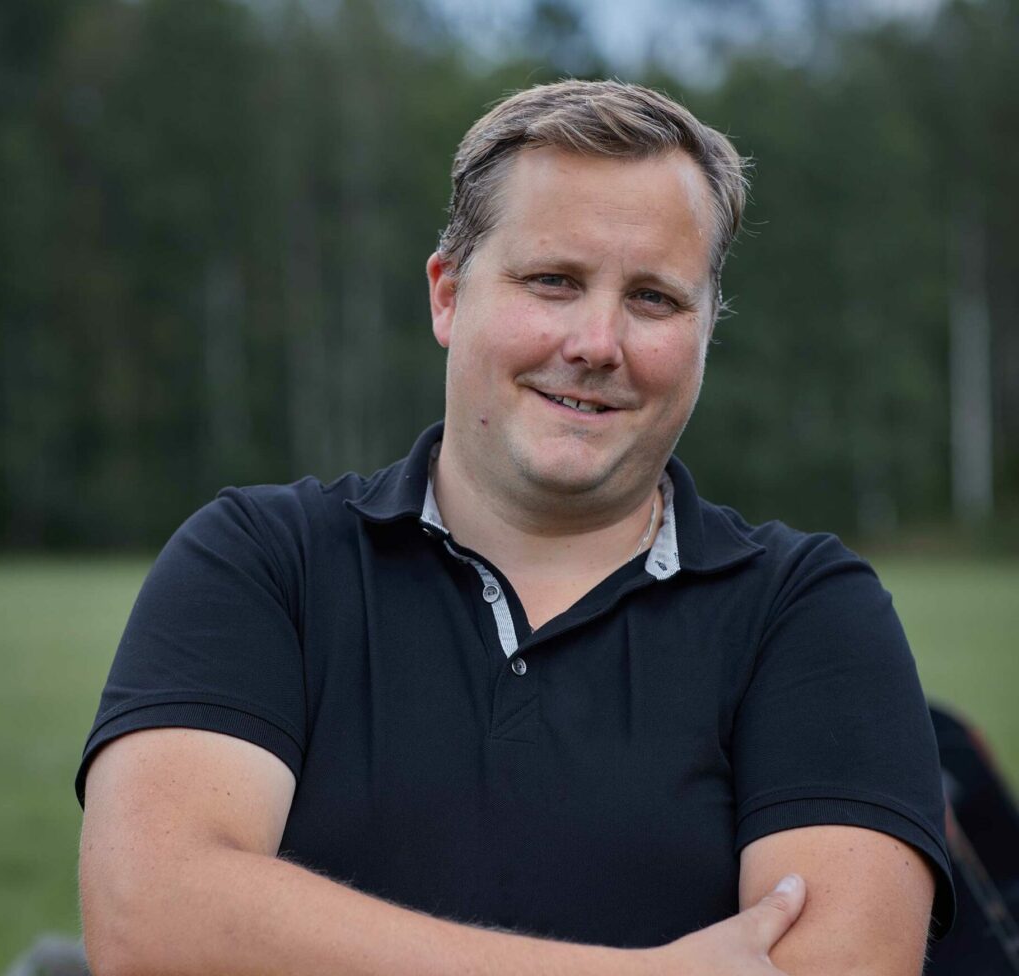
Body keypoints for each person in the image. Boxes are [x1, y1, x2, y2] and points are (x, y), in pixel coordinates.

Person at [76, 80, 954, 975]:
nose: (598, 341)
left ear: (704, 334)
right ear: (448, 295)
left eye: (653, 298)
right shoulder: (260, 562)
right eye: (553, 281)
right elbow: (153, 929)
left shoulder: (807, 614)